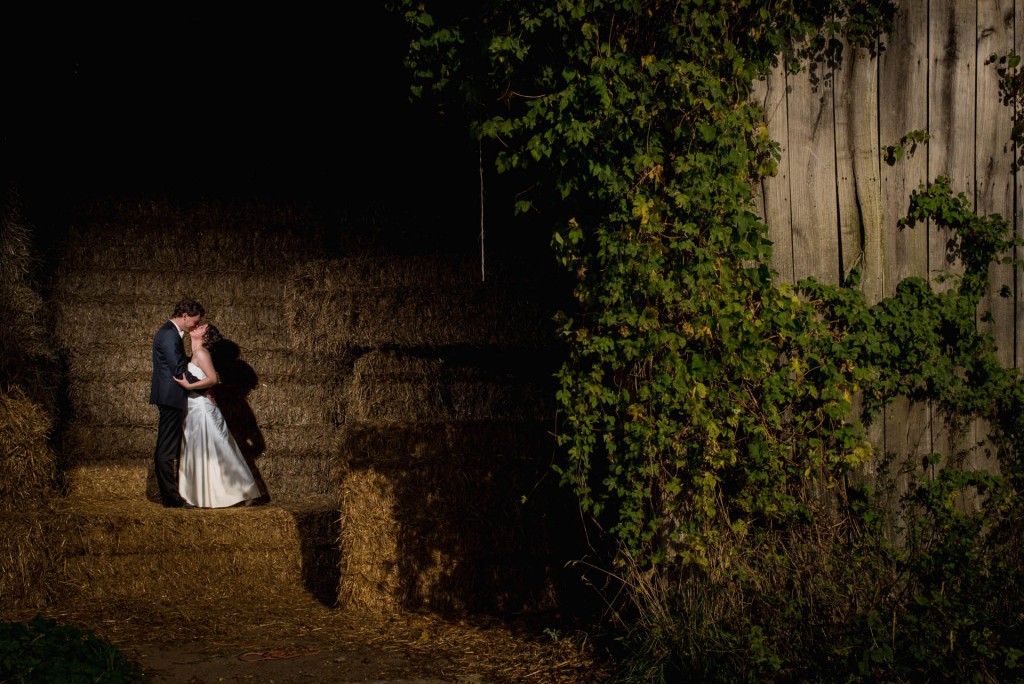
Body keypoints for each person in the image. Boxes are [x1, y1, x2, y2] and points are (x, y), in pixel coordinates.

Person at [173, 323, 261, 508]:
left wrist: (188, 386)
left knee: (219, 446)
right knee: (199, 450)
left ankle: (242, 489)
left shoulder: (202, 353)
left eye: (201, 327)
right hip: (194, 406)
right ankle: (200, 494)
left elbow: (213, 379)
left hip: (203, 407)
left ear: (205, 337)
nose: (196, 327)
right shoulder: (194, 353)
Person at [150, 298, 205, 508]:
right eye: (195, 321)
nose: (196, 325)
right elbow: (178, 369)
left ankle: (172, 495)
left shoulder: (170, 333)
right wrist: (204, 386)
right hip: (171, 397)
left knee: (168, 447)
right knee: (166, 450)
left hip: (171, 396)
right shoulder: (169, 335)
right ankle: (171, 499)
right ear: (184, 316)